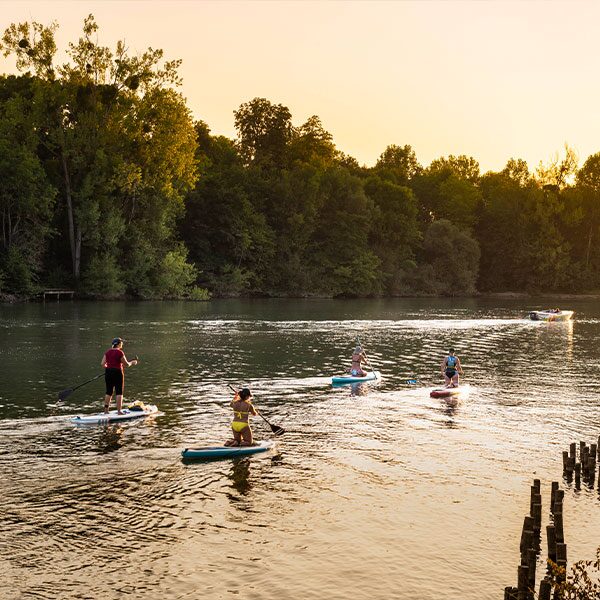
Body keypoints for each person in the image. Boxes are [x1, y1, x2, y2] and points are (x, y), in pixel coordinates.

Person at [101, 337, 138, 414]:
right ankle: (119, 411)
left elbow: (102, 364)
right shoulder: (120, 352)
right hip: (118, 373)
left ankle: (106, 411)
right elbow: (126, 364)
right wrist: (132, 362)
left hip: (108, 372)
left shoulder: (107, 352)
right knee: (119, 392)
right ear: (118, 344)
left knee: (109, 392)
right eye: (121, 343)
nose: (122, 344)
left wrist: (109, 367)